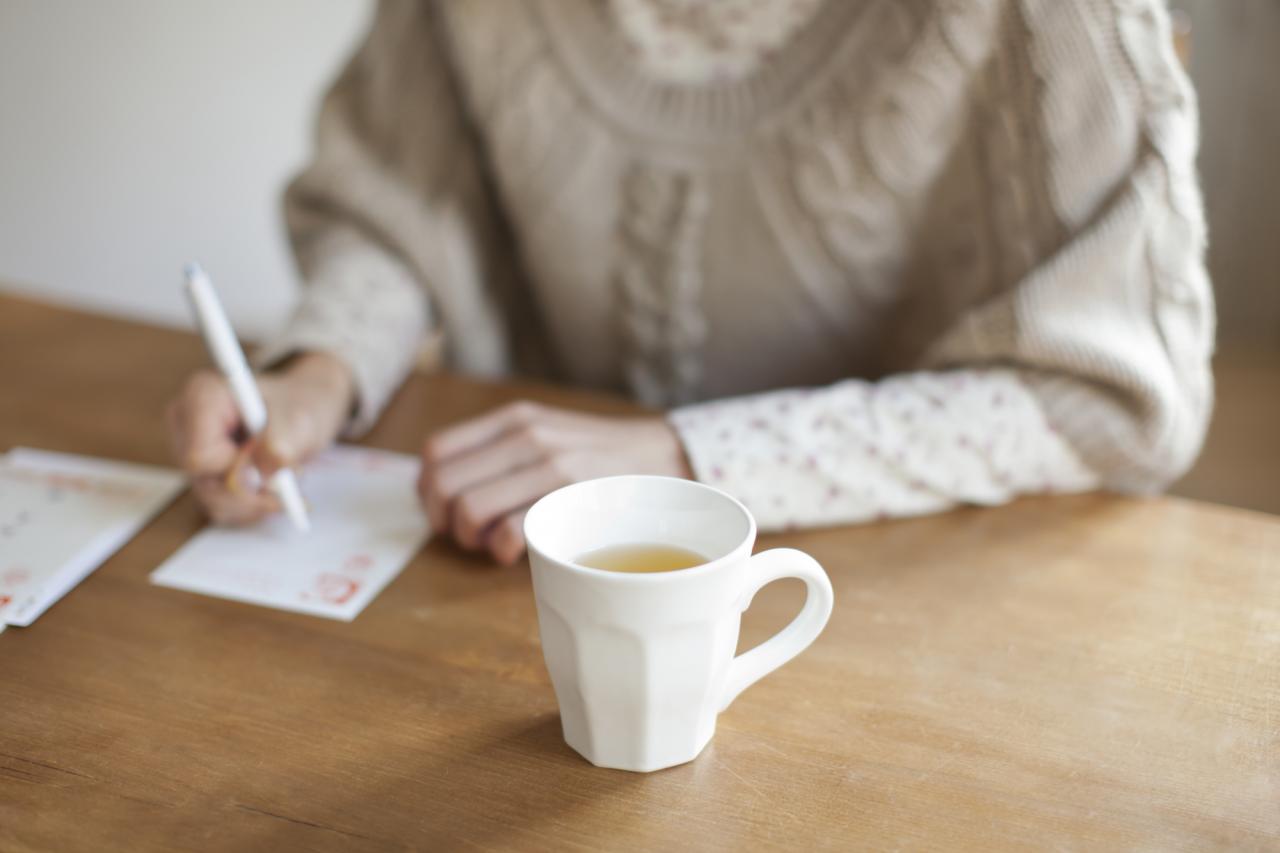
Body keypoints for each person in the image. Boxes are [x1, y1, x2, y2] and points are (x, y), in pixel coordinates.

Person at [166, 0, 1214, 565]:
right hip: (526, 560)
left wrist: (688, 459)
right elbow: (401, 202)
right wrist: (319, 369)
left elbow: (1116, 397)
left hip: (921, 573)